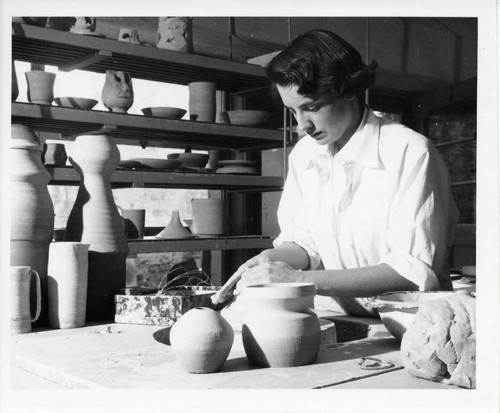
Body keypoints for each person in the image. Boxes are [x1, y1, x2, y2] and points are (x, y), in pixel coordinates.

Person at [212, 29, 459, 316]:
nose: (302, 124)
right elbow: (306, 243)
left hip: (412, 323)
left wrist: (300, 280)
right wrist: (272, 260)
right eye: (292, 111)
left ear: (348, 90)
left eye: (312, 107)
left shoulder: (410, 151)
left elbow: (411, 271)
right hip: (344, 314)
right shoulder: (305, 154)